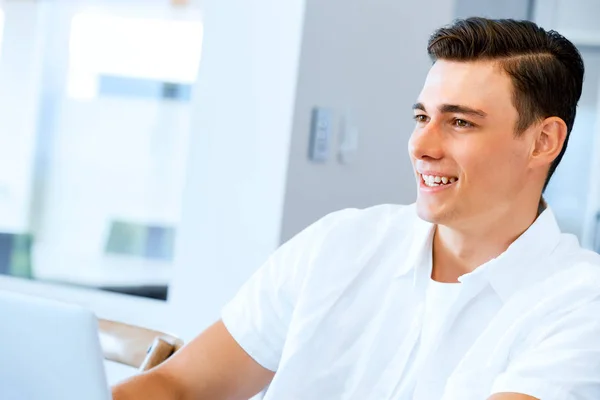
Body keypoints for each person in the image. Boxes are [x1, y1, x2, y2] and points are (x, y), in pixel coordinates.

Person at [112, 17, 600, 400]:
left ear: (543, 141)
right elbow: (177, 387)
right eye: (422, 117)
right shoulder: (339, 243)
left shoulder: (582, 303)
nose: (420, 145)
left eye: (460, 123)